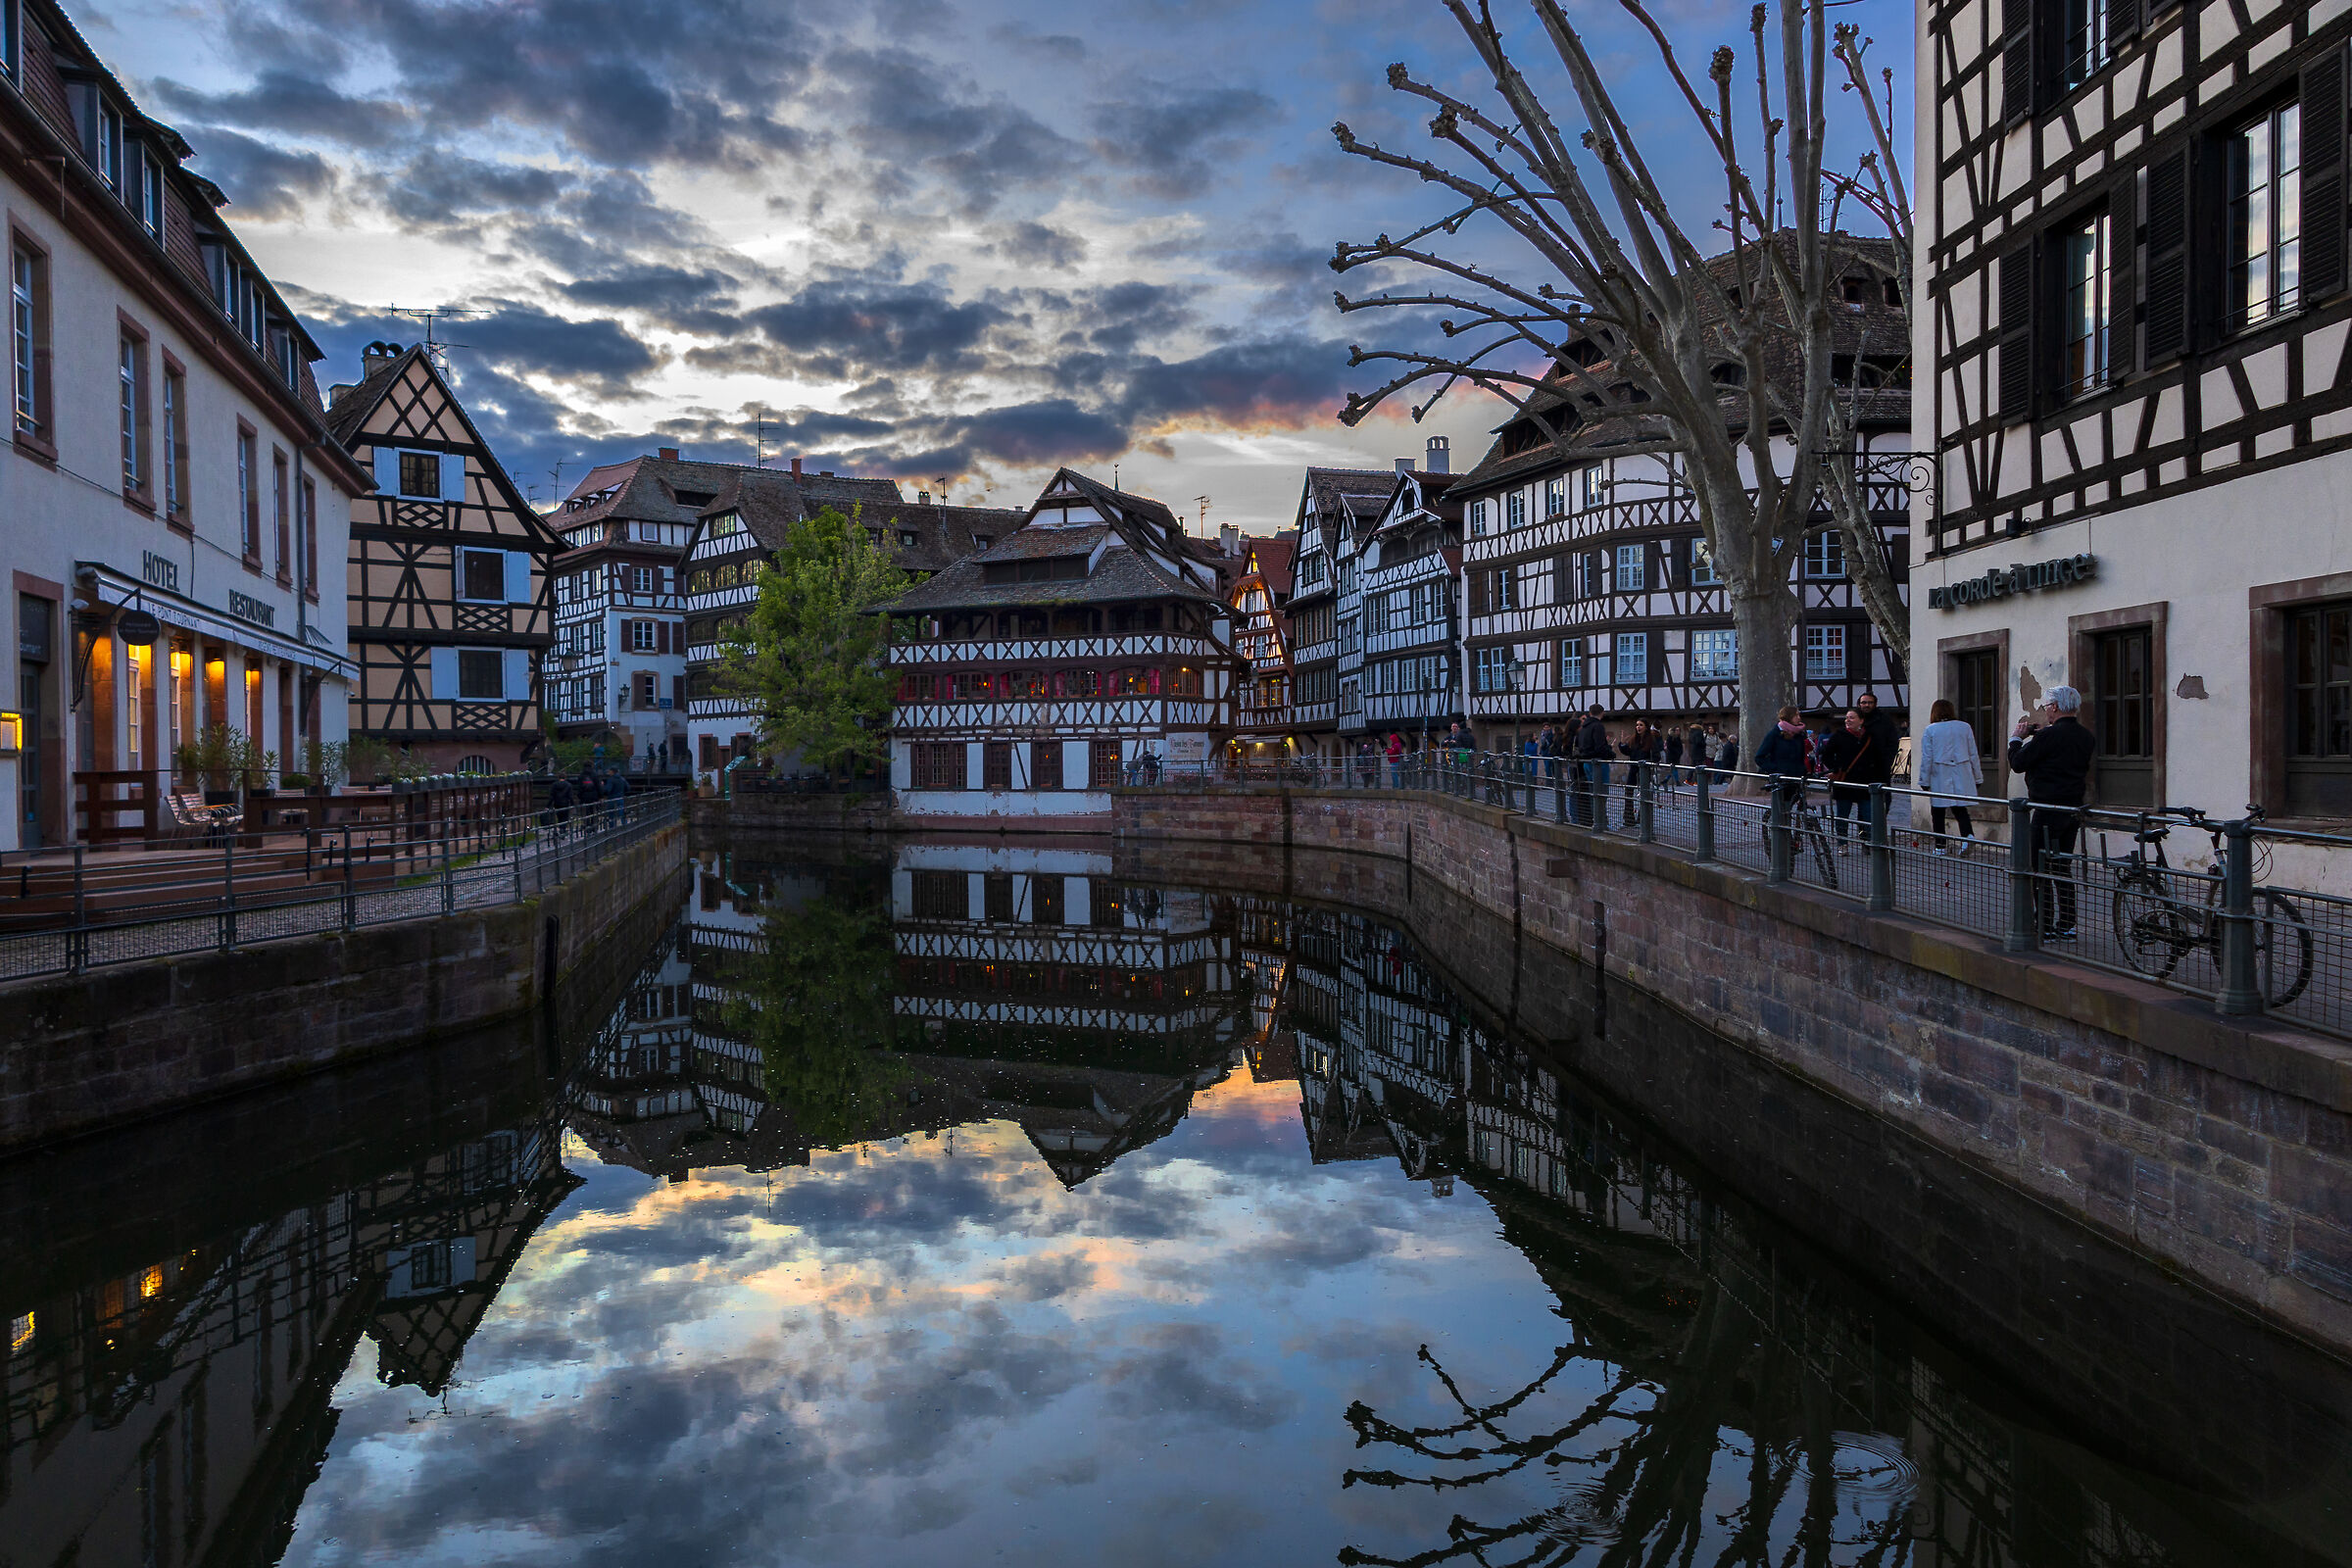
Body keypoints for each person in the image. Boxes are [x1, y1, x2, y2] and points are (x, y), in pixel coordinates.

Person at [2008, 686, 2096, 941]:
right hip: (2072, 808)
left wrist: (2016, 739)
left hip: (2047, 808)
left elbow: (2018, 763)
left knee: (2039, 867)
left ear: (2055, 707)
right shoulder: (2085, 736)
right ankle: (2067, 925)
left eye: (2046, 706)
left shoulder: (2048, 736)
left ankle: (2044, 924)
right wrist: (2040, 736)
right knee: (2061, 867)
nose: (2045, 711)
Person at [1916, 698, 1984, 854]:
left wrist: (1924, 780)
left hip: (1940, 774)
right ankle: (1968, 836)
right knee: (1960, 808)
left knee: (1938, 812)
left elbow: (1927, 757)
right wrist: (1977, 777)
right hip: (1961, 772)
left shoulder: (1931, 730)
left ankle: (1940, 846)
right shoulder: (1964, 727)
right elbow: (1973, 754)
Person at [1816, 709, 1873, 850]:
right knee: (1842, 815)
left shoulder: (1868, 737)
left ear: (1861, 720)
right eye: (1847, 717)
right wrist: (1837, 768)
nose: (1848, 720)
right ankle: (1842, 843)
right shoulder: (1839, 736)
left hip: (1864, 781)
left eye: (1852, 717)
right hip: (1845, 781)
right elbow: (1826, 755)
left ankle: (1869, 842)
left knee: (1868, 815)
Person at [1754, 705, 1813, 820]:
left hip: (1797, 778)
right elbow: (1759, 757)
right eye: (1796, 715)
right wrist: (1776, 770)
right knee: (1782, 812)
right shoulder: (1774, 734)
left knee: (1793, 806)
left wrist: (1805, 771)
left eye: (1799, 715)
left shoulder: (1799, 734)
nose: (1799, 718)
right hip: (1782, 781)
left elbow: (1801, 757)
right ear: (1789, 717)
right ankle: (1780, 829)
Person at [1571, 705, 1612, 826]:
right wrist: (1611, 753)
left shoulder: (1583, 727)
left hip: (1586, 763)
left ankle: (1597, 821)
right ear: (1602, 713)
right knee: (1601, 794)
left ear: (1590, 713)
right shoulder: (1598, 726)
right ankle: (1601, 823)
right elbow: (1600, 747)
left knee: (1593, 794)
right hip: (1597, 763)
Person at [1616, 717, 1662, 826]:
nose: (1638, 727)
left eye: (1641, 725)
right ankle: (1629, 818)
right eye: (1637, 725)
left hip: (1644, 770)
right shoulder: (1634, 739)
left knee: (1644, 793)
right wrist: (1622, 743)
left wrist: (1646, 762)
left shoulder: (1651, 740)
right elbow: (1628, 751)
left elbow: (1657, 756)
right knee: (1628, 791)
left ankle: (1643, 818)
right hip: (1634, 769)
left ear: (1646, 727)